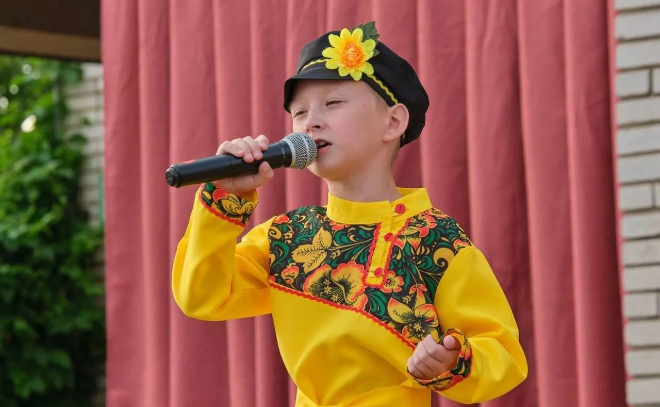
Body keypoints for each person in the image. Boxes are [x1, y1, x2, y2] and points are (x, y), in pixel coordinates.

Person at [172, 21, 527, 406]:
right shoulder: (287, 236)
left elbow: (502, 352)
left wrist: (452, 361)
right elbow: (202, 297)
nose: (311, 121)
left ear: (393, 121)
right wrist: (225, 197)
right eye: (300, 112)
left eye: (333, 103)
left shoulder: (436, 239)